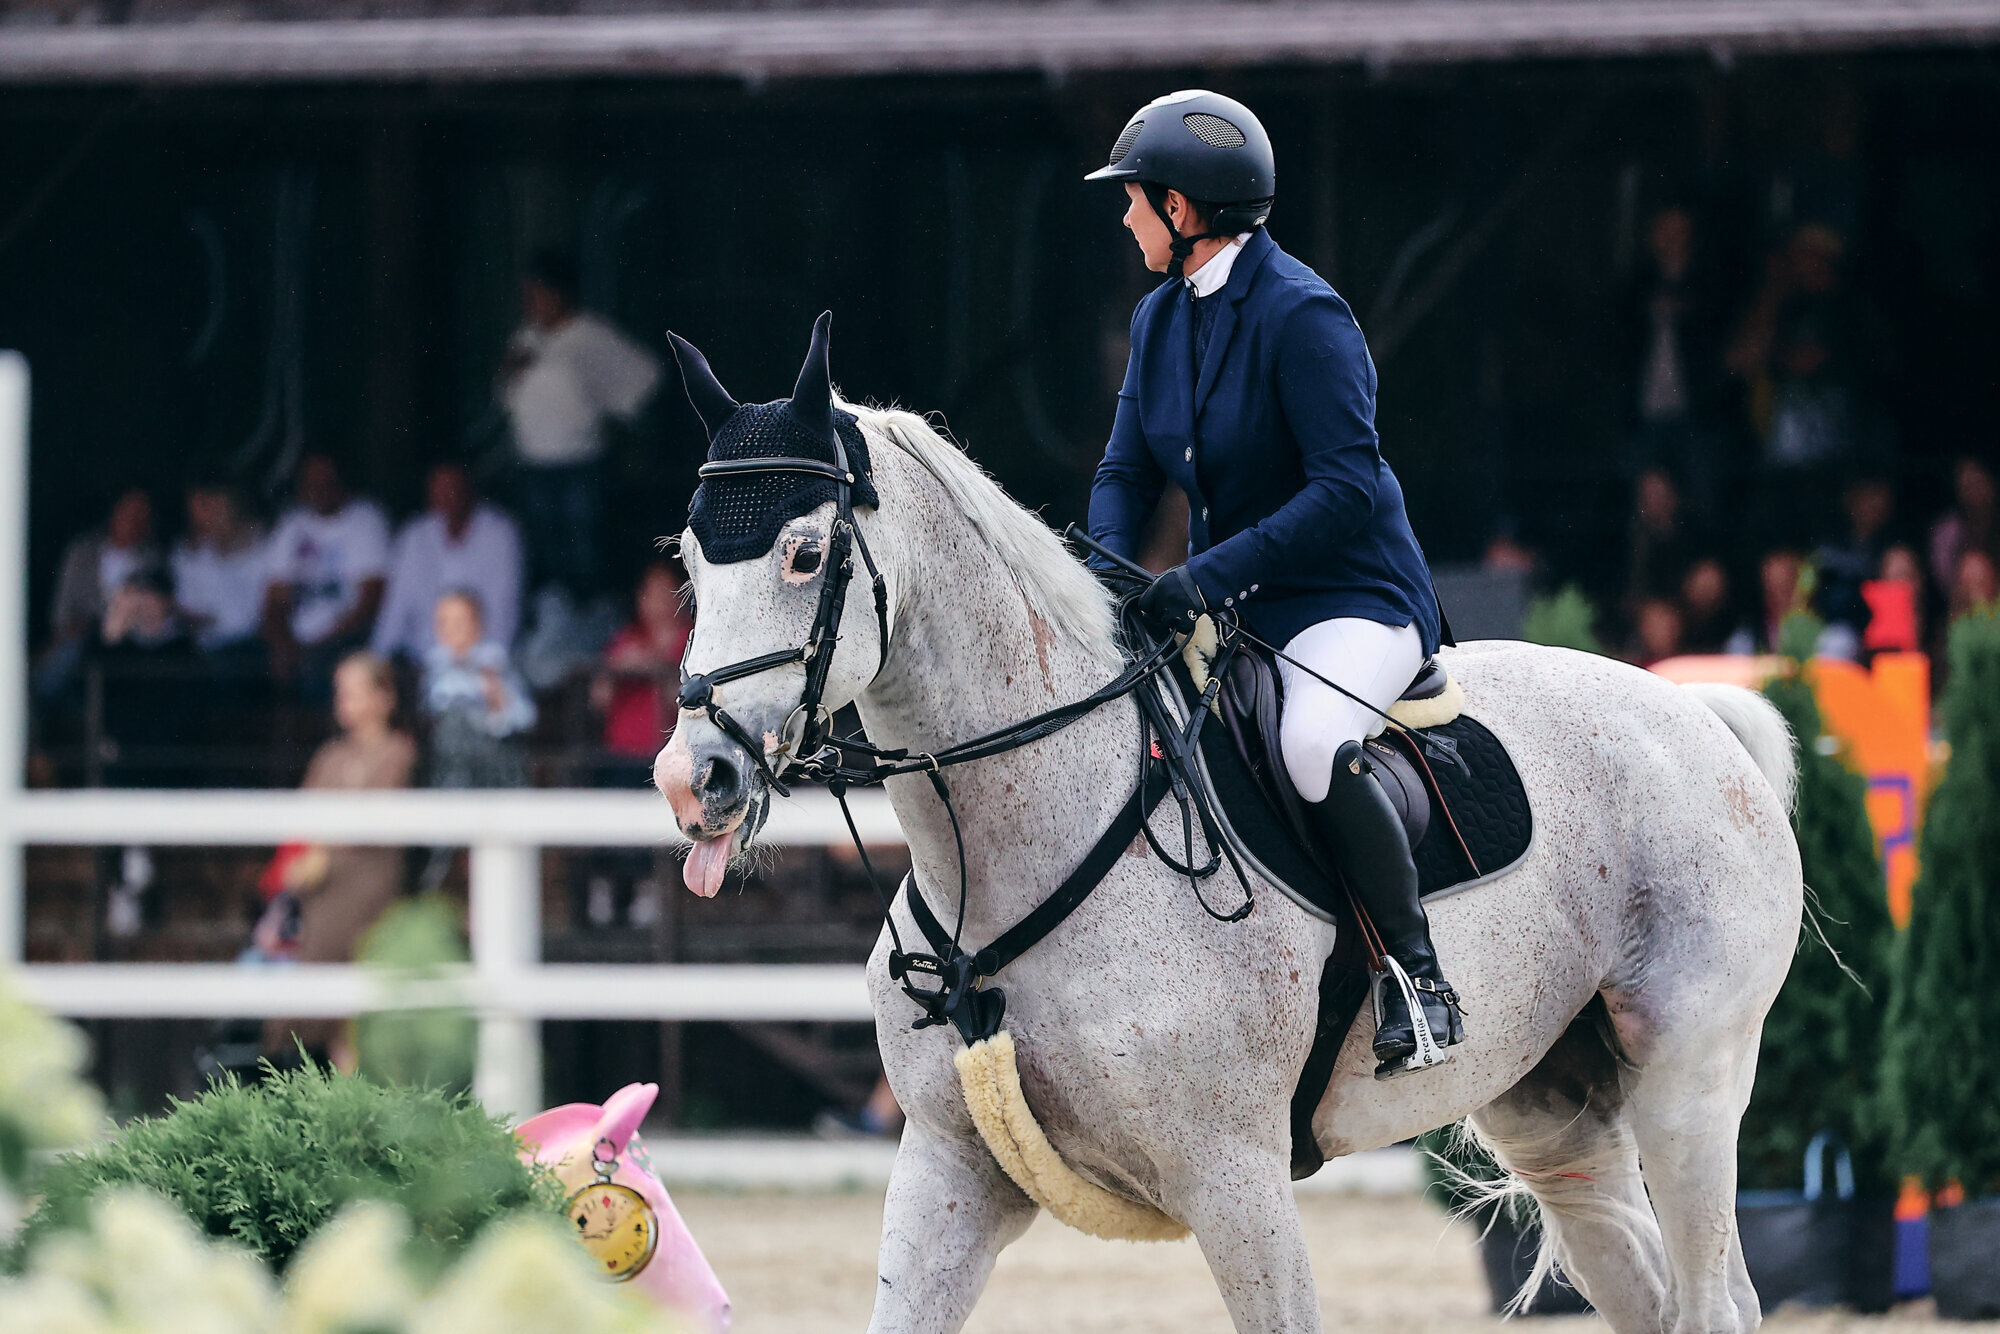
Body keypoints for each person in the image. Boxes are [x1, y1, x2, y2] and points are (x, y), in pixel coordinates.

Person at [1083, 90, 1459, 1078]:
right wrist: (1107, 574)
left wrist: (1198, 578)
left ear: (1180, 210)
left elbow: (1343, 488)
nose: (1123, 218)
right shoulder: (1159, 317)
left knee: (1305, 741)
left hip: (1351, 596)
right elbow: (1126, 470)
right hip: (1242, 605)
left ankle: (1414, 979)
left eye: (1133, 201)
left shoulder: (1304, 315)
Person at [263, 651, 416, 1069]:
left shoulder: (399, 752)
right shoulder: (329, 757)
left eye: (354, 691)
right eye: (340, 692)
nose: (343, 700)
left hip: (370, 884)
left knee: (351, 998)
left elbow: (378, 820)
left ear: (384, 697)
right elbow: (304, 819)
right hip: (322, 888)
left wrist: (325, 846)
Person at [499, 249, 661, 597]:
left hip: (580, 462)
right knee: (547, 552)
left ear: (559, 293)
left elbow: (645, 376)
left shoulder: (590, 335)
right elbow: (505, 397)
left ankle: (593, 619)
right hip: (534, 462)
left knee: (585, 551)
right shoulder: (526, 338)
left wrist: (610, 411)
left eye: (539, 293)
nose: (533, 302)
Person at [262, 454, 392, 704]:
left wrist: (320, 643)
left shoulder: (366, 519)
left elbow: (371, 601)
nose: (320, 489)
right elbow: (275, 597)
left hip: (345, 637)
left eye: (327, 481)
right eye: (312, 482)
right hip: (298, 642)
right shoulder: (291, 524)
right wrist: (283, 642)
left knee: (320, 669)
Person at [373, 461, 524, 660]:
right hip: (422, 655)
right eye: (439, 489)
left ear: (469, 488)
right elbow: (396, 605)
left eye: (453, 488)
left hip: (484, 655)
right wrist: (377, 657)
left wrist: (490, 664)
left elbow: (504, 609)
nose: (447, 496)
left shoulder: (500, 532)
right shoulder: (415, 535)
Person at [35, 487, 160, 701]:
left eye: (143, 513)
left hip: (134, 646)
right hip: (85, 641)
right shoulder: (83, 552)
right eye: (131, 511)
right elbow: (61, 613)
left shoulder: (156, 559)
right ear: (114, 512)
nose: (136, 520)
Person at [421, 589, 536, 790]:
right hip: (449, 773)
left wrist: (496, 693)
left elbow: (525, 718)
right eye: (443, 622)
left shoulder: (498, 666)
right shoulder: (431, 671)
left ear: (477, 624)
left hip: (494, 770)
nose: (450, 630)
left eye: (459, 622)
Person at [591, 561, 693, 775]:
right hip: (621, 757)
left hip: (677, 759)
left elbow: (689, 703)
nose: (657, 599)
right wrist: (616, 670)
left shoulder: (694, 641)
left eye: (664, 590)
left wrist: (655, 667)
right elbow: (598, 700)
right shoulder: (626, 639)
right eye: (650, 591)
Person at [172, 479, 269, 663]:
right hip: (211, 653)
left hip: (257, 647)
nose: (203, 516)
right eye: (196, 509)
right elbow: (190, 613)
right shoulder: (187, 555)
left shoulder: (263, 542)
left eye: (210, 506)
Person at [1928, 456, 1996, 596]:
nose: (1974, 492)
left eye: (1978, 482)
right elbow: (1945, 582)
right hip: (1962, 606)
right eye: (1967, 486)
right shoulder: (1947, 531)